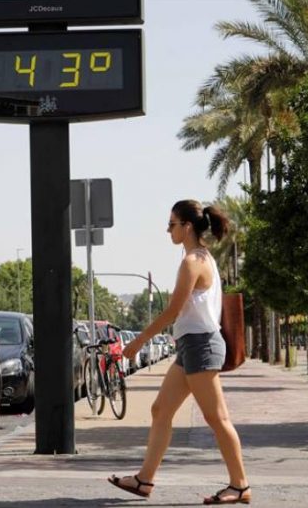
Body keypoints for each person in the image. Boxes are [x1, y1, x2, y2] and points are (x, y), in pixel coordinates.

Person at [107, 200, 251, 505]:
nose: (168, 230)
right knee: (161, 410)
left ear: (187, 227)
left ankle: (240, 485)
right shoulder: (200, 258)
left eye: (172, 224)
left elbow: (173, 311)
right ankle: (145, 480)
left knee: (217, 418)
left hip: (201, 345)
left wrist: (139, 342)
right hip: (190, 346)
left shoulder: (193, 262)